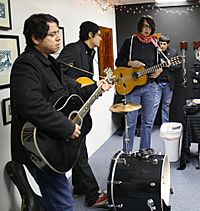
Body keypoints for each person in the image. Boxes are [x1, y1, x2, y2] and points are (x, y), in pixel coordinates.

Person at [10, 14, 112, 211]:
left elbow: (71, 91)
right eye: (53, 34)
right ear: (35, 39)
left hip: (53, 142)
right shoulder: (26, 65)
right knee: (62, 203)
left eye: (58, 33)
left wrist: (96, 88)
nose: (59, 38)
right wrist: (67, 127)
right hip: (40, 147)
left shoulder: (51, 63)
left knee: (56, 199)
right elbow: (32, 105)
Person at [57, 21, 108, 208]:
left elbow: (86, 81)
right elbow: (57, 73)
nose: (101, 38)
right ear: (90, 35)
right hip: (68, 107)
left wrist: (98, 86)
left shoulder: (89, 53)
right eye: (99, 35)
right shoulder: (73, 49)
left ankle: (79, 186)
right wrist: (79, 86)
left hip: (81, 105)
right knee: (79, 151)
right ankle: (92, 195)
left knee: (81, 141)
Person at [115, 15, 162, 153]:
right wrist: (129, 63)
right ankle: (127, 153)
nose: (147, 29)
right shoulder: (129, 42)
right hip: (132, 88)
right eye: (144, 26)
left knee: (148, 122)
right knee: (131, 123)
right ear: (139, 27)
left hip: (150, 86)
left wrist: (159, 70)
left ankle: (144, 151)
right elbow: (118, 62)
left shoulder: (155, 44)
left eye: (149, 26)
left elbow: (159, 65)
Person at [151, 35, 180, 125]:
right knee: (154, 105)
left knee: (166, 105)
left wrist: (169, 66)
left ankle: (165, 126)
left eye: (164, 44)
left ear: (168, 44)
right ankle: (149, 126)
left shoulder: (173, 52)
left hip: (168, 83)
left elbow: (178, 67)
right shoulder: (155, 52)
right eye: (160, 44)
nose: (162, 46)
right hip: (156, 83)